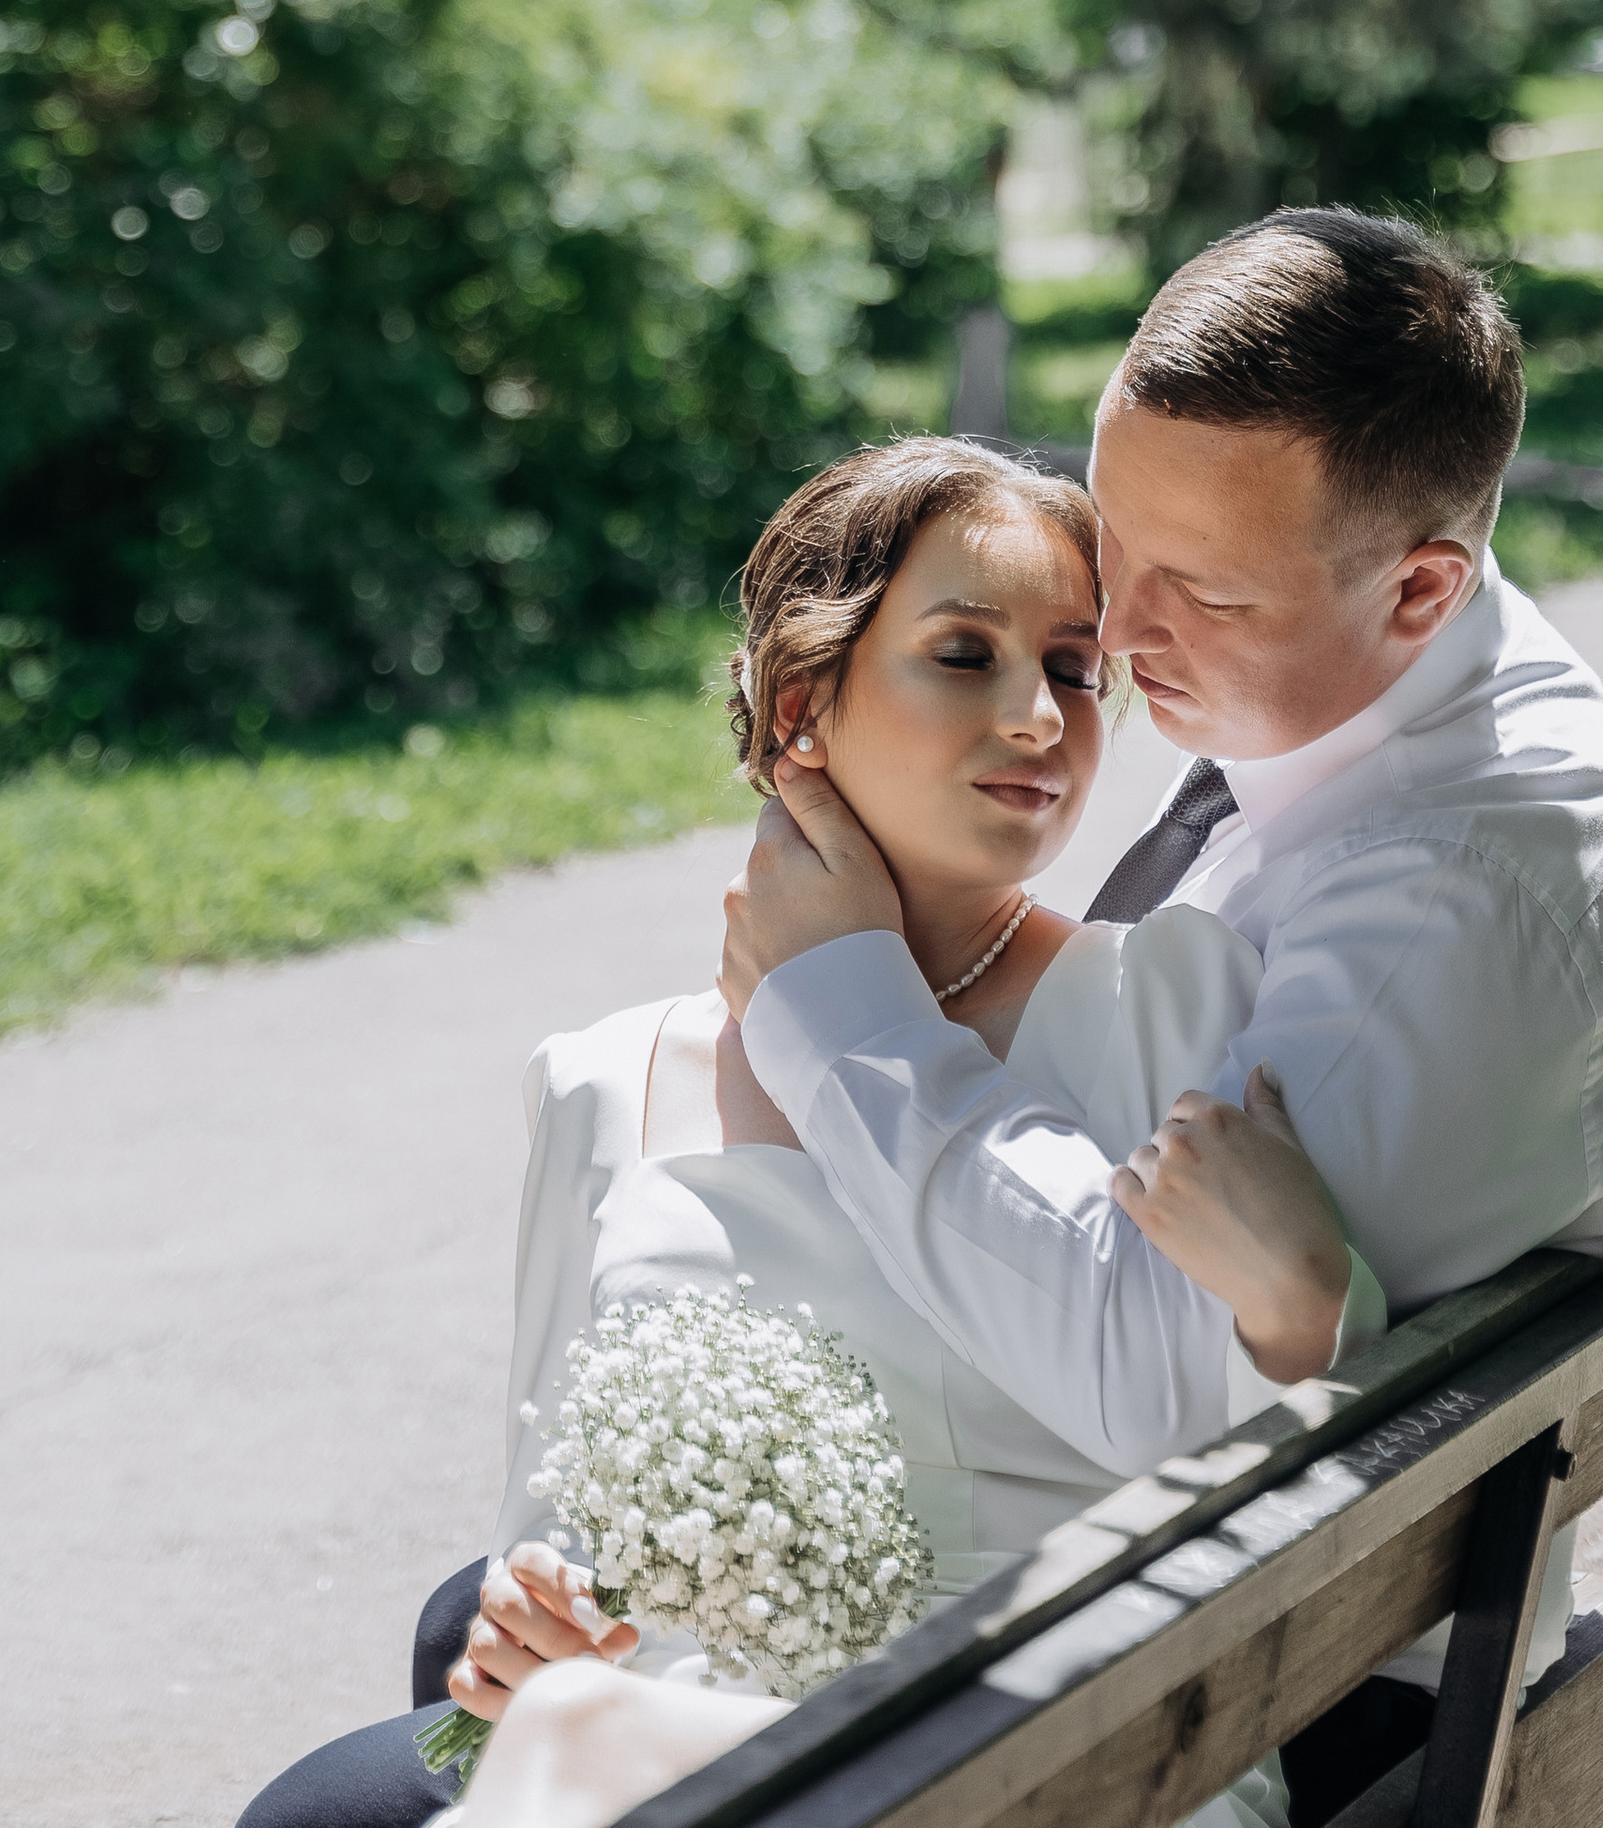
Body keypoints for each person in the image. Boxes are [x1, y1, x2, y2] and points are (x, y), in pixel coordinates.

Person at [719, 209, 1603, 1811]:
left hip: (1342, 1674)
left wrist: (840, 1007)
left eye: (1202, 591)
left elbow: (1158, 1377)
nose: (1117, 637)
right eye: (1119, 543)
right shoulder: (1393, 691)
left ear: (1421, 587)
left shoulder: (1452, 897)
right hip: (1317, 1557)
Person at [241, 435, 1377, 1828]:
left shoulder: (1168, 1005)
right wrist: (531, 1622)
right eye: (964, 655)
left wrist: (1300, 1308)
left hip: (1065, 1743)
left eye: (1076, 669)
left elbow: (1275, 1435)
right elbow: (549, 1527)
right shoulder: (604, 1081)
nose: (1039, 715)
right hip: (675, 1739)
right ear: (800, 706)